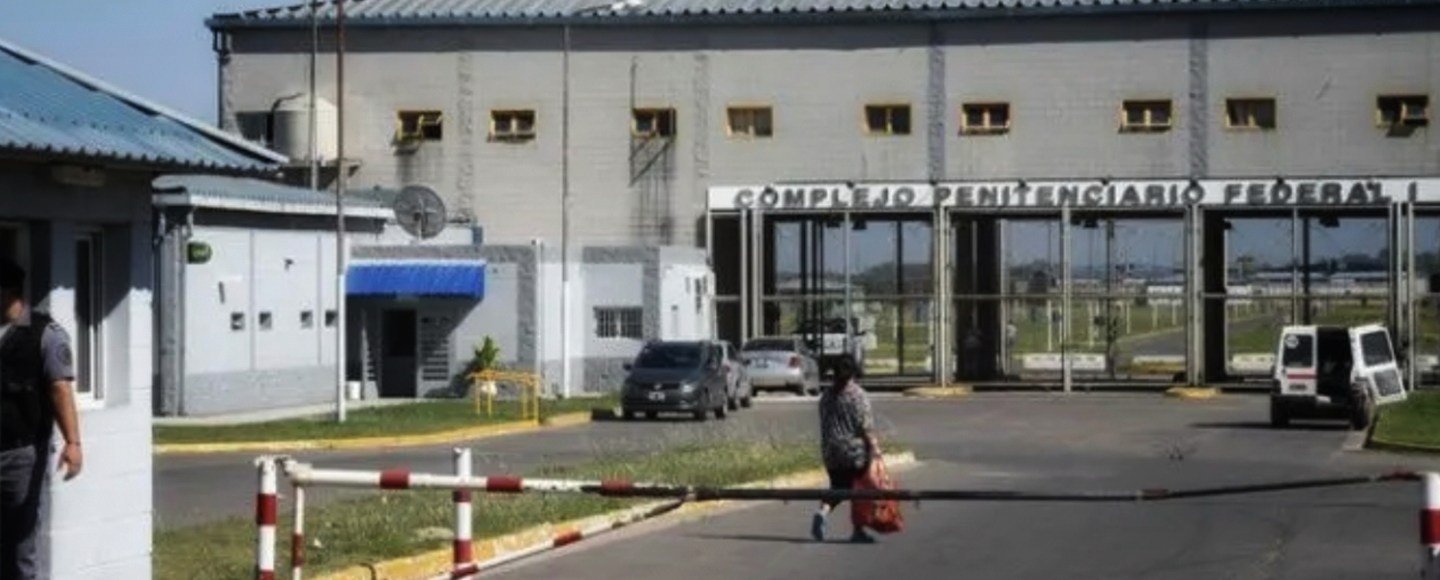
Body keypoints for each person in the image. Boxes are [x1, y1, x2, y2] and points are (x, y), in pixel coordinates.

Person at [1, 259, 84, 580]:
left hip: (20, 454)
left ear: (8, 291)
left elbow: (60, 388)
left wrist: (73, 443)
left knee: (20, 543)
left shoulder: (44, 333)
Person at [811, 354, 878, 544]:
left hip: (831, 451)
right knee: (859, 490)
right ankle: (858, 530)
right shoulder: (857, 396)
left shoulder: (826, 397)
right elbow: (865, 427)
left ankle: (822, 512)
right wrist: (875, 450)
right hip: (854, 452)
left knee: (838, 487)